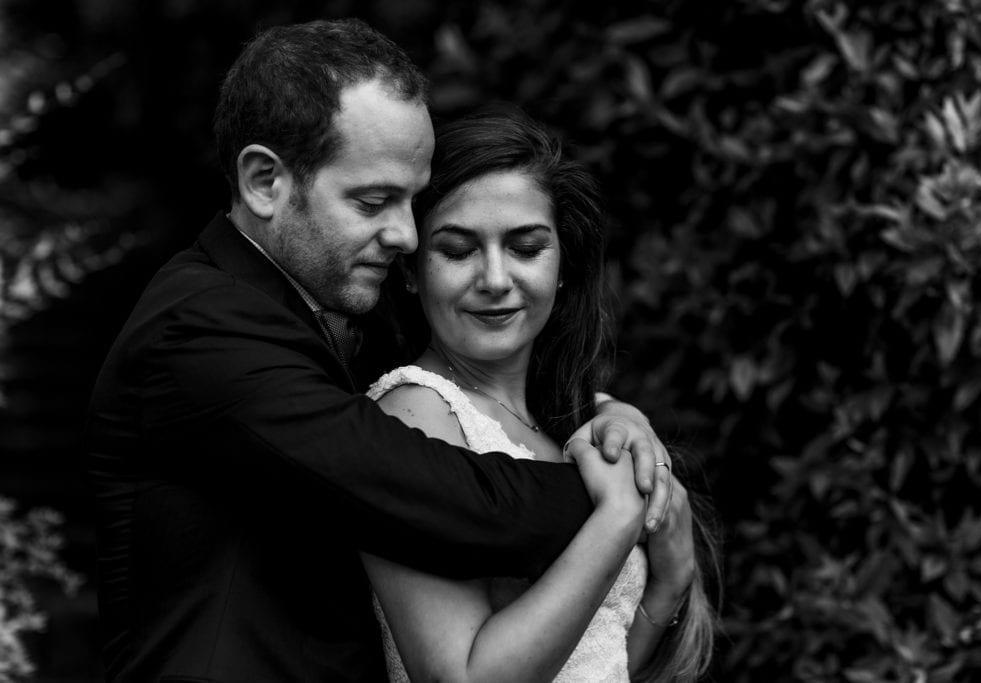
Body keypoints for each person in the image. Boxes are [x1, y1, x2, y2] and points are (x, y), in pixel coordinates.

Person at [85, 18, 680, 683]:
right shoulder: (201, 329)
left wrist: (606, 417)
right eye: (374, 201)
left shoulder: (310, 323)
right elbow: (429, 490)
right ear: (263, 181)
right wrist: (624, 491)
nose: (404, 235)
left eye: (413, 201)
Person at [363, 108, 720, 682]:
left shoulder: (584, 417)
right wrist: (620, 516)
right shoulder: (413, 414)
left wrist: (672, 584)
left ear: (562, 265)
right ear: (410, 271)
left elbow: (594, 660)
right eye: (457, 250)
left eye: (526, 247)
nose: (496, 278)